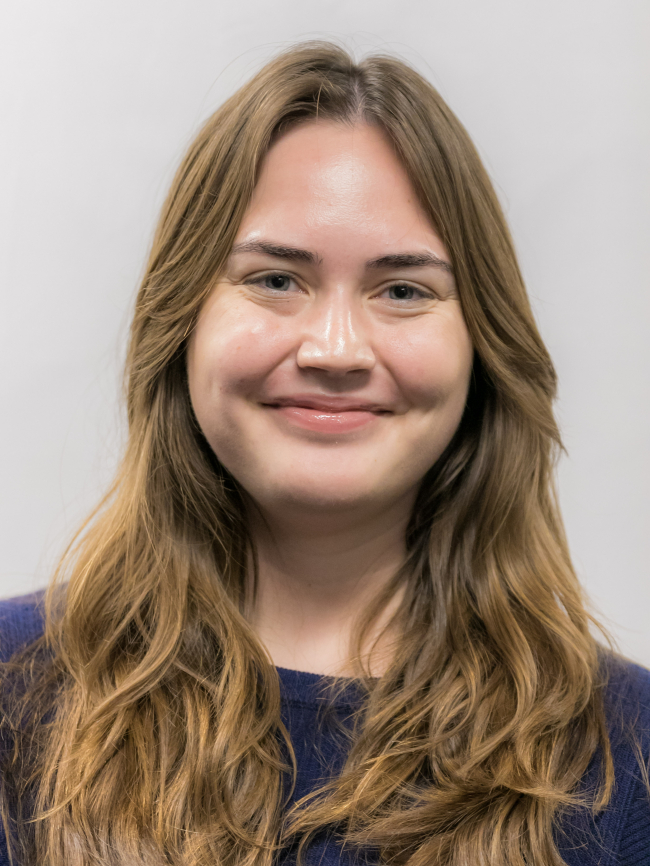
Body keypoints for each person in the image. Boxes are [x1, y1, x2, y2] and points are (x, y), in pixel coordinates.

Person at [0, 41, 648, 866]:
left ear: (484, 346)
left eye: (404, 290)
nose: (336, 348)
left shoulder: (625, 754)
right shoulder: (11, 692)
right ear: (180, 322)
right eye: (275, 279)